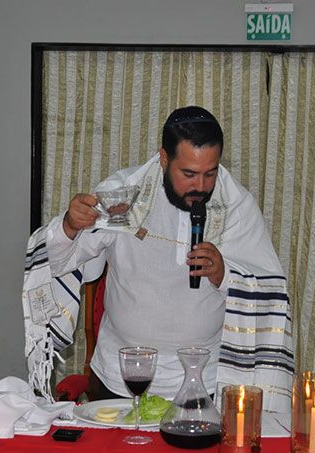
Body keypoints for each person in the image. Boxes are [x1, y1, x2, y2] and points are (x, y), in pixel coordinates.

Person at [23, 106, 293, 411]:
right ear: (164, 158)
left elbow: (271, 292)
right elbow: (62, 261)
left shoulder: (236, 206)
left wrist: (225, 275)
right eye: (189, 174)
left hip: (204, 381)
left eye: (210, 173)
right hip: (120, 378)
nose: (201, 186)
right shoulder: (123, 194)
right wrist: (70, 226)